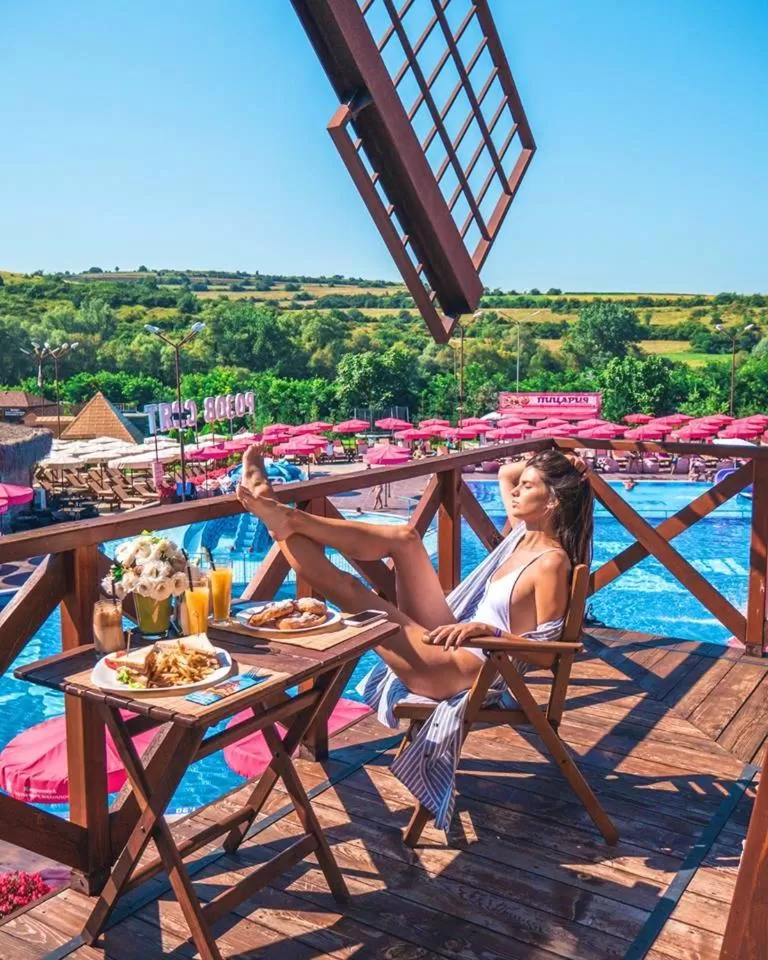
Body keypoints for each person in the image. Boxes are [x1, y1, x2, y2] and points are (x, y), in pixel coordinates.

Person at [236, 445, 593, 702]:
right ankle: (287, 517)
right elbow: (506, 472)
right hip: (456, 643)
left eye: (528, 487)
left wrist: (489, 631)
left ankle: (273, 510)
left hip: (462, 672)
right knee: (406, 539)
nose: (514, 491)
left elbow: (549, 655)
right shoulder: (522, 534)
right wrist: (563, 460)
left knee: (358, 597)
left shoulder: (551, 562)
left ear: (552, 502)